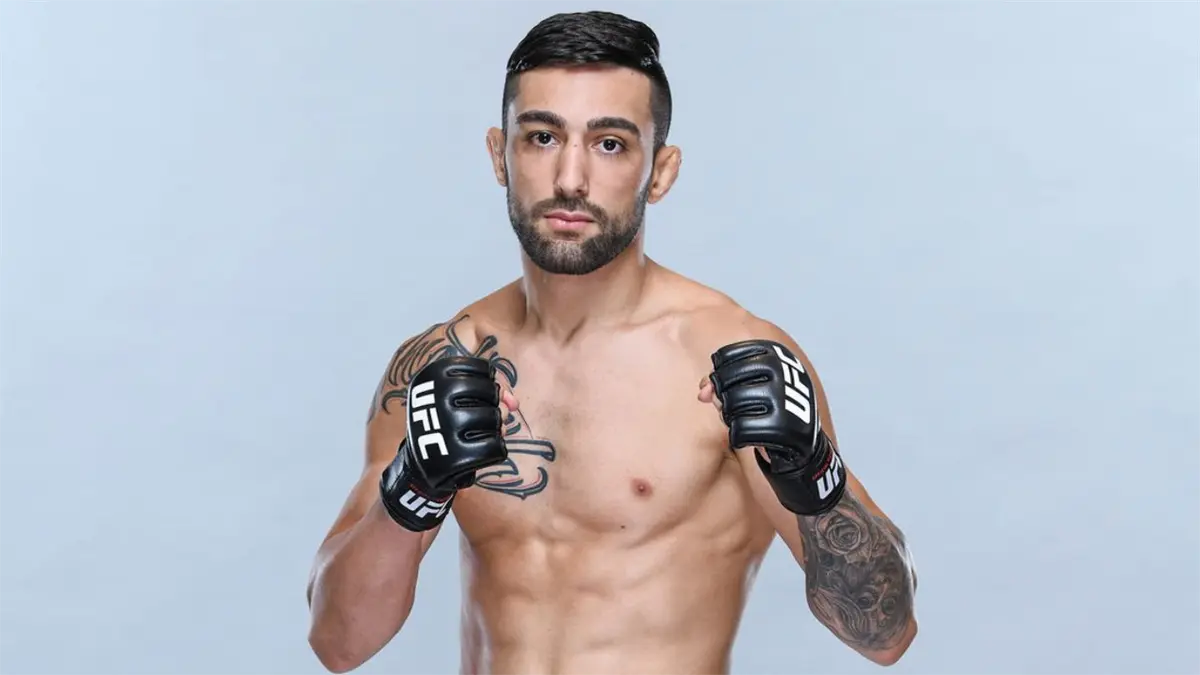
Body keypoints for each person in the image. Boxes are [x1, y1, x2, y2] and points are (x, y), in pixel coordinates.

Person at [305, 10, 919, 674]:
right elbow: (339, 642)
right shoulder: (445, 359)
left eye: (610, 144)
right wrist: (412, 488)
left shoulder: (732, 359)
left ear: (661, 171)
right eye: (542, 137)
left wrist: (815, 477)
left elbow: (884, 635)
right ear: (499, 155)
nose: (570, 178)